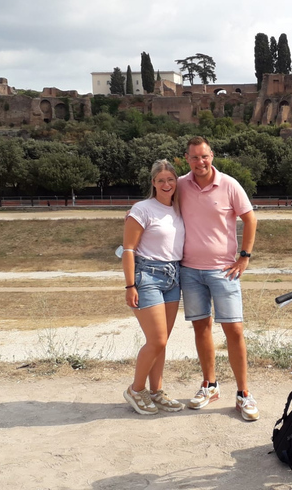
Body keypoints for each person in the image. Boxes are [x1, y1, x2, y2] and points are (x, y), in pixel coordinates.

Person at [178, 136, 259, 421]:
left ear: (212, 155)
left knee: (234, 331)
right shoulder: (179, 185)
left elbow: (250, 219)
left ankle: (244, 393)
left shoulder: (229, 184)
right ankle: (209, 385)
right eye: (194, 157)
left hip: (224, 270)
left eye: (205, 156)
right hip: (189, 270)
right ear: (186, 159)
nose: (200, 162)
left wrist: (245, 256)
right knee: (201, 329)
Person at [121, 159, 185, 415]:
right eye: (161, 180)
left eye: (171, 179)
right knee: (156, 339)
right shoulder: (142, 209)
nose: (166, 184)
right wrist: (129, 285)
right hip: (147, 276)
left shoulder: (179, 210)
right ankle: (136, 390)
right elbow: (128, 249)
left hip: (173, 276)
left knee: (162, 341)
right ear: (153, 183)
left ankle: (156, 392)